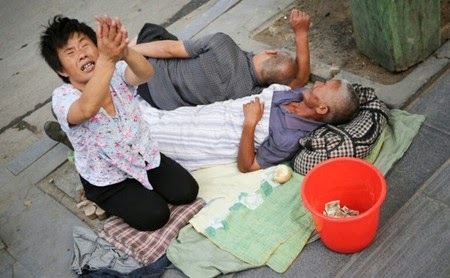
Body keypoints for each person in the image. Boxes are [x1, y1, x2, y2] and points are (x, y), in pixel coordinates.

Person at [39, 15, 198, 231]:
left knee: (187, 192)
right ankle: (87, 176)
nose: (83, 54)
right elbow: (87, 108)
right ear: (62, 70)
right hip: (107, 177)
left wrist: (124, 51)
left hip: (141, 156)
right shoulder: (62, 96)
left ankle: (68, 138)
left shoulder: (114, 72)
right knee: (155, 216)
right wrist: (106, 59)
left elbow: (145, 74)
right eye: (71, 52)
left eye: (85, 45)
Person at [136, 79, 360, 173]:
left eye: (324, 87)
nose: (318, 82)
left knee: (144, 134)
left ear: (322, 109)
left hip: (211, 137)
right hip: (207, 114)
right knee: (153, 116)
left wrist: (250, 123)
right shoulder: (301, 94)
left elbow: (248, 166)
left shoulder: (290, 137)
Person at [130, 9, 311, 110]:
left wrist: (125, 52)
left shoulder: (221, 44)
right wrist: (302, 35)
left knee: (155, 34)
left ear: (270, 53)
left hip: (145, 74)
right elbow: (300, 79)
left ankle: (122, 53)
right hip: (159, 102)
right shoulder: (251, 95)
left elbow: (169, 50)